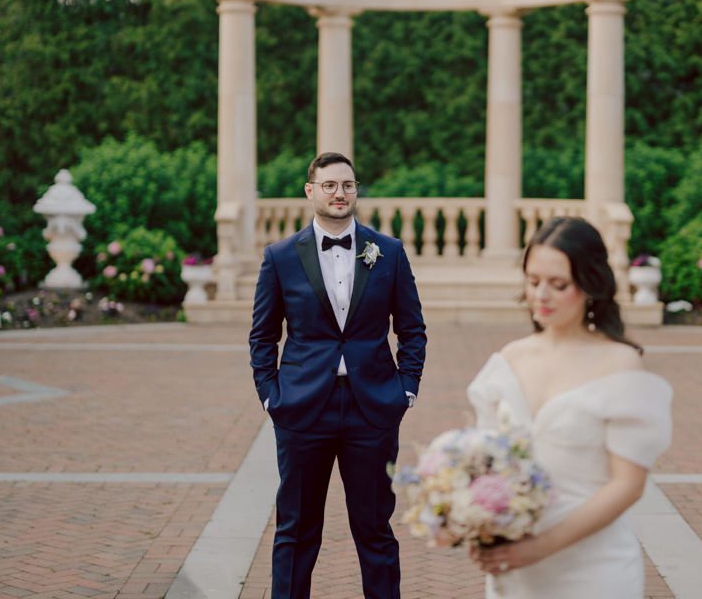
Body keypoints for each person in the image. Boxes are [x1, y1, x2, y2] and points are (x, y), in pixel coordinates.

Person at [249, 151, 427, 599]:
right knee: (296, 530)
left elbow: (411, 329)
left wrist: (405, 390)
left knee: (375, 529)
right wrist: (271, 395)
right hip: (302, 409)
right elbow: (263, 335)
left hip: (373, 409)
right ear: (310, 191)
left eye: (347, 185)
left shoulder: (388, 252)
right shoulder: (280, 257)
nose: (339, 193)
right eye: (329, 185)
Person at [465, 216, 672, 599]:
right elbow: (484, 464)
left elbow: (628, 485)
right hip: (514, 570)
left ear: (590, 284)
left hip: (593, 569)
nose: (541, 295)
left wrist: (538, 548)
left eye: (558, 284)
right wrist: (471, 522)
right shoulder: (509, 360)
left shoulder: (620, 364)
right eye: (533, 281)